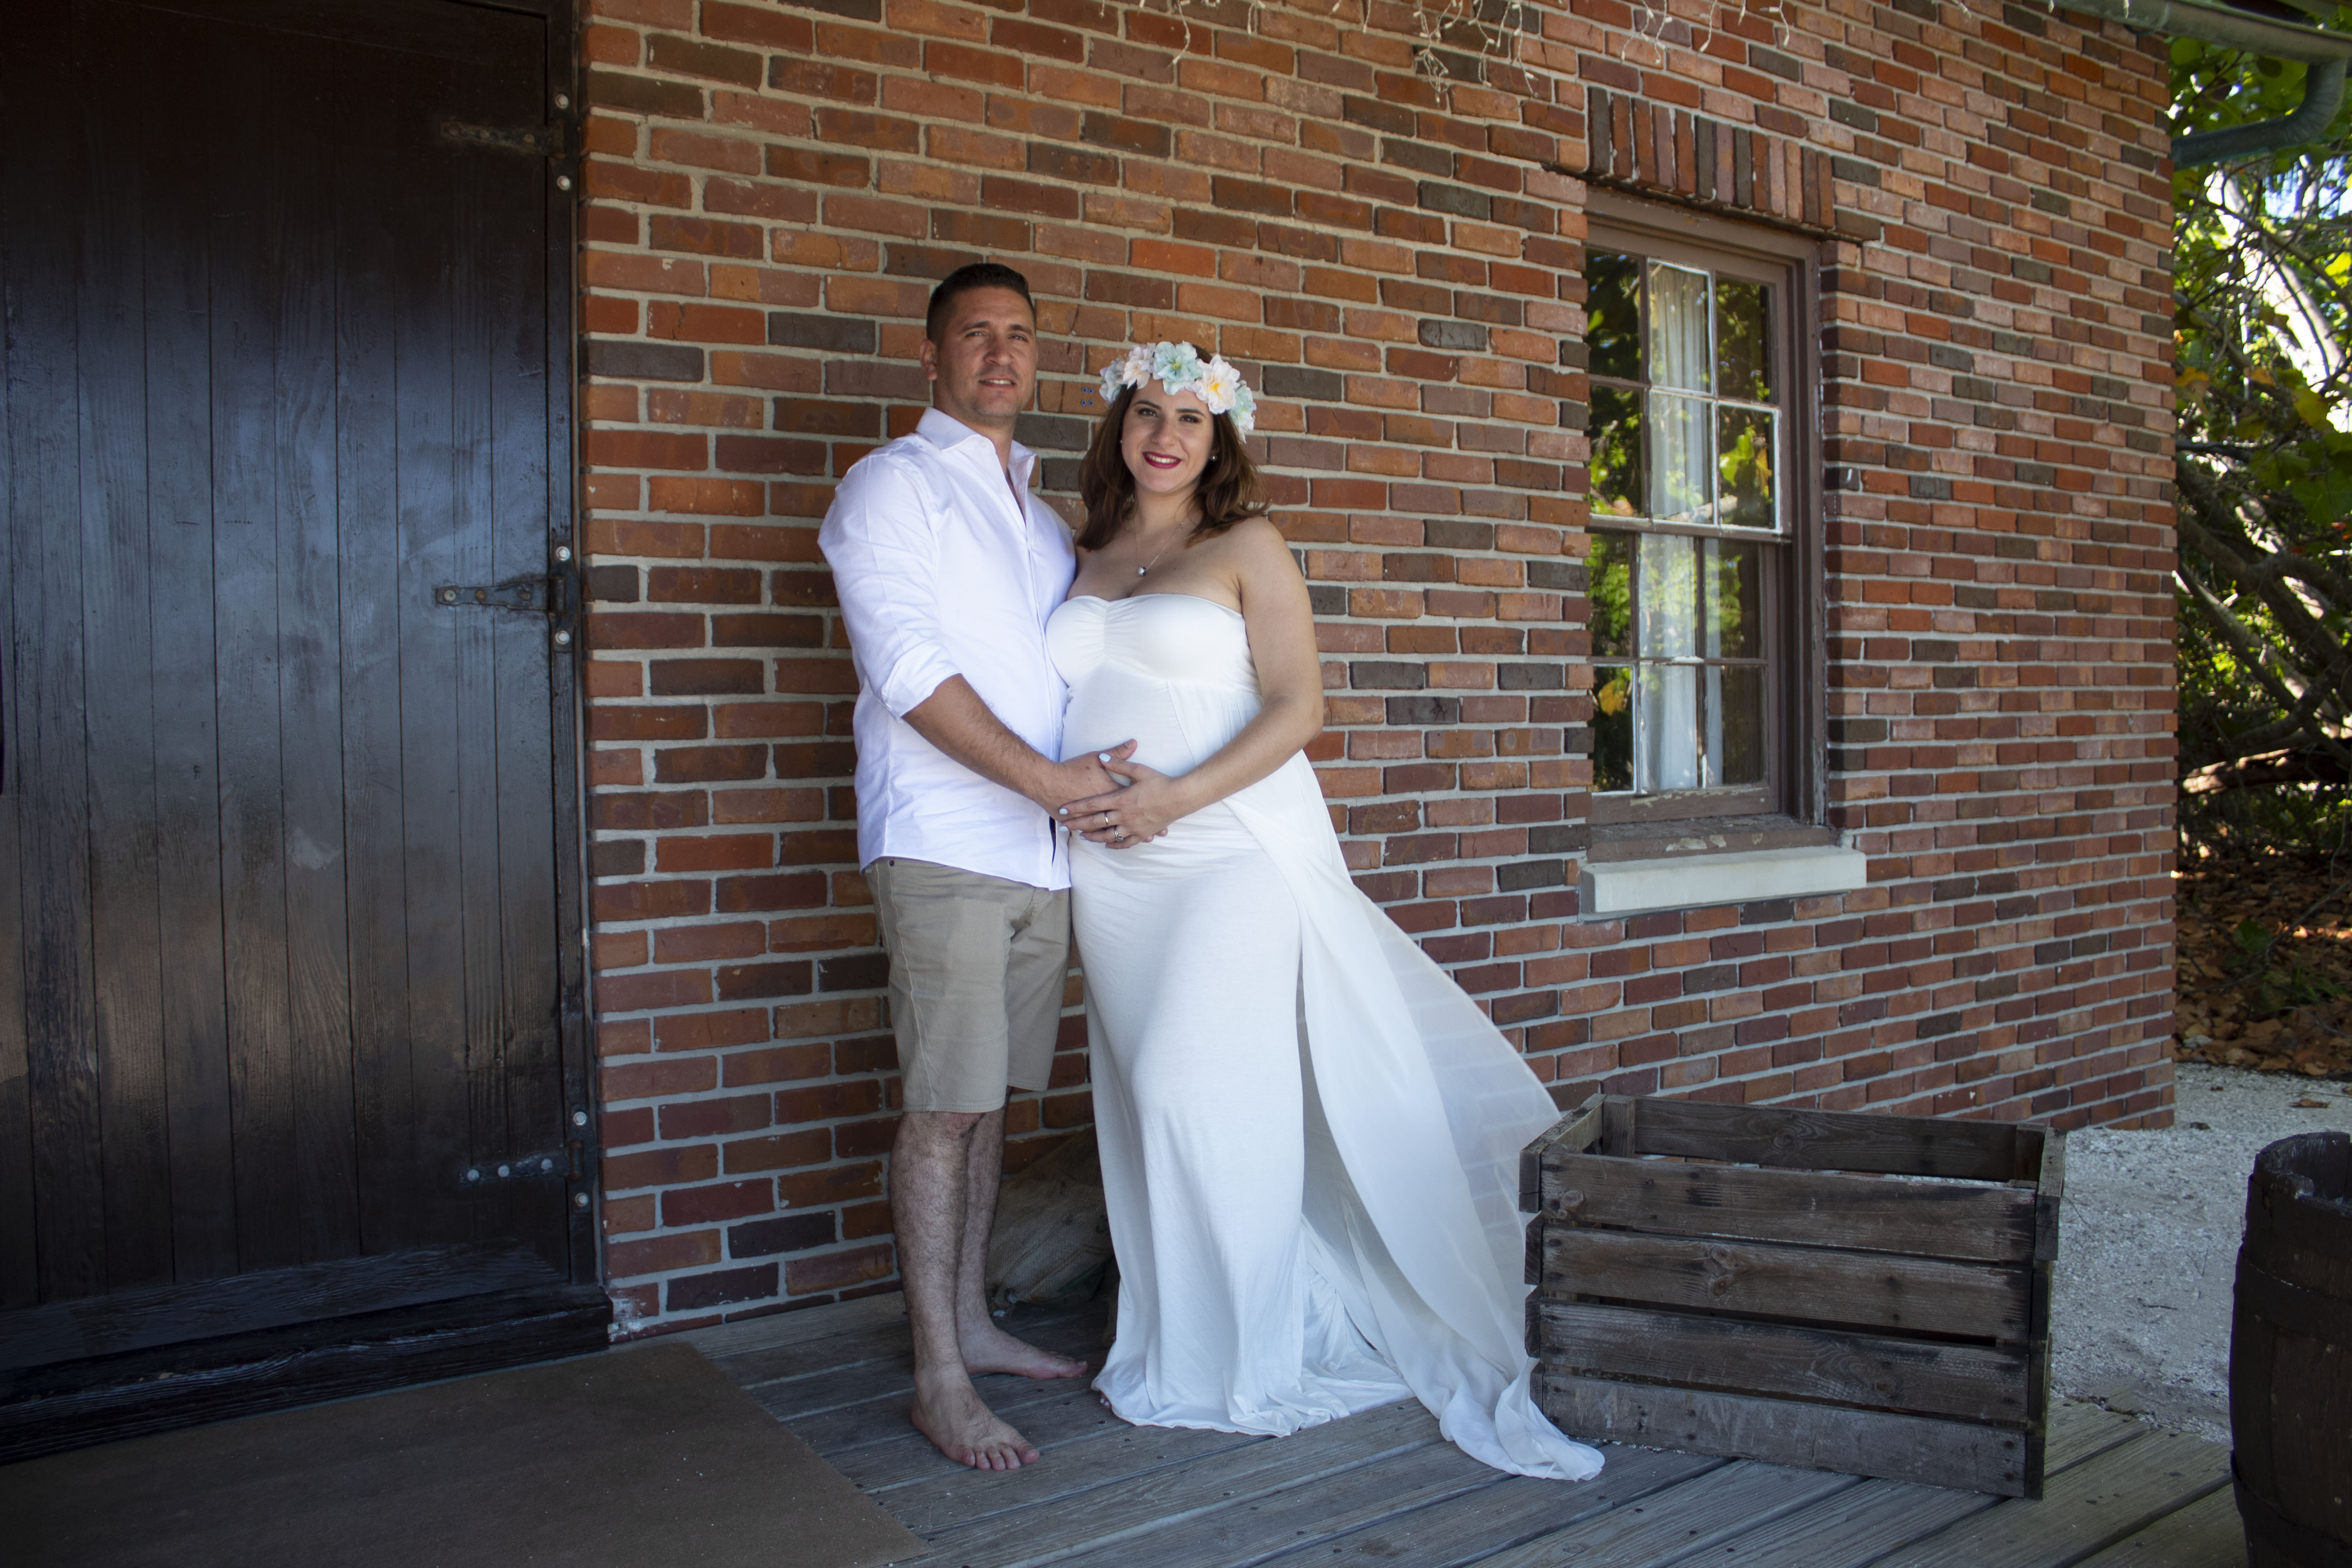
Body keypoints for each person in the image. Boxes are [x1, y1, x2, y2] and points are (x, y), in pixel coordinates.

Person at [1045, 342, 1606, 1480]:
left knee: (1197, 1088)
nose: (1165, 434)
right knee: (1149, 1100)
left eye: (1190, 418)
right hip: (1115, 874)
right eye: (1146, 412)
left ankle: (1254, 1353)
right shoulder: (1081, 551)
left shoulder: (1246, 543)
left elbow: (1300, 708)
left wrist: (1172, 800)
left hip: (1228, 848)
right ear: (1118, 426)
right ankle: (1183, 1342)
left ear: (1220, 437)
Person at [818, 263, 1135, 1472]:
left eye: (1019, 336)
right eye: (974, 335)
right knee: (945, 1108)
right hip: (945, 843)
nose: (1000, 355)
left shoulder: (1043, 521)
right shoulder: (892, 487)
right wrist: (1049, 781)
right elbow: (904, 667)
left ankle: (974, 1328)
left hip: (1042, 858)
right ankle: (937, 1378)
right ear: (932, 357)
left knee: (992, 1102)